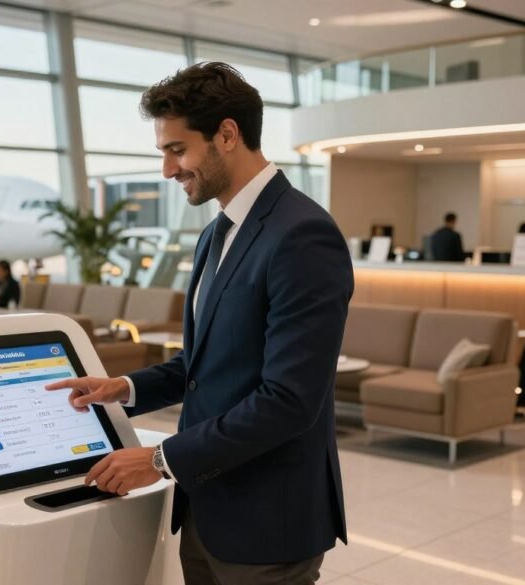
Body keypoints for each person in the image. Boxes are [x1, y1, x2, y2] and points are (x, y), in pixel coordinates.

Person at [46, 62, 352, 584]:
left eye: (177, 150)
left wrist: (161, 460)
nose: (168, 170)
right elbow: (204, 362)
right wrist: (122, 387)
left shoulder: (303, 235)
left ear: (227, 134)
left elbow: (289, 400)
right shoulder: (218, 233)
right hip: (209, 507)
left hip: (268, 523)